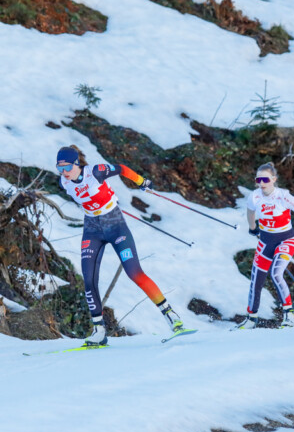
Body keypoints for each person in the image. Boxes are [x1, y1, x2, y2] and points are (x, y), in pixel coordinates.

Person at [55, 145, 194, 346]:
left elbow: (121, 168)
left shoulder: (95, 171)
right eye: (60, 169)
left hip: (115, 225)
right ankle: (99, 330)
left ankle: (172, 317)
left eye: (67, 167)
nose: (64, 173)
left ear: (76, 164)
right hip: (92, 229)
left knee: (134, 272)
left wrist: (141, 182)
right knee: (89, 278)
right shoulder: (64, 181)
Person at [237, 162, 294, 329]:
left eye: (265, 179)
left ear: (274, 179)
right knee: (256, 280)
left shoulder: (283, 197)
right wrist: (253, 228)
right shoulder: (254, 196)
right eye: (258, 179)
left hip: (286, 240)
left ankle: (289, 315)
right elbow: (250, 211)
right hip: (266, 241)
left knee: (276, 273)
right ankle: (251, 318)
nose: (261, 183)